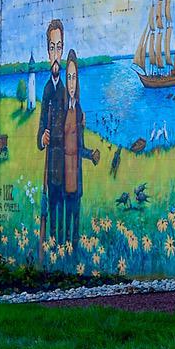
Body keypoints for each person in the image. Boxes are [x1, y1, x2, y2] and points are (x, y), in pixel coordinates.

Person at [59, 51, 101, 243]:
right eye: (68, 77)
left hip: (76, 176)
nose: (71, 83)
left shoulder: (79, 111)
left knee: (75, 219)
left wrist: (91, 154)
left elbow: (80, 147)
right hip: (63, 176)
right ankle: (64, 248)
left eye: (74, 77)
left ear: (78, 80)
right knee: (65, 219)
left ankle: (74, 248)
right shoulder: (61, 110)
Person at [35, 19, 66, 243]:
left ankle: (63, 247)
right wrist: (42, 138)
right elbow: (40, 127)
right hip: (51, 163)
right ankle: (53, 246)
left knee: (64, 209)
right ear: (48, 52)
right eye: (52, 48)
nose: (56, 54)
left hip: (66, 163)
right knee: (51, 209)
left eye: (59, 47)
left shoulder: (67, 90)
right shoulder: (47, 90)